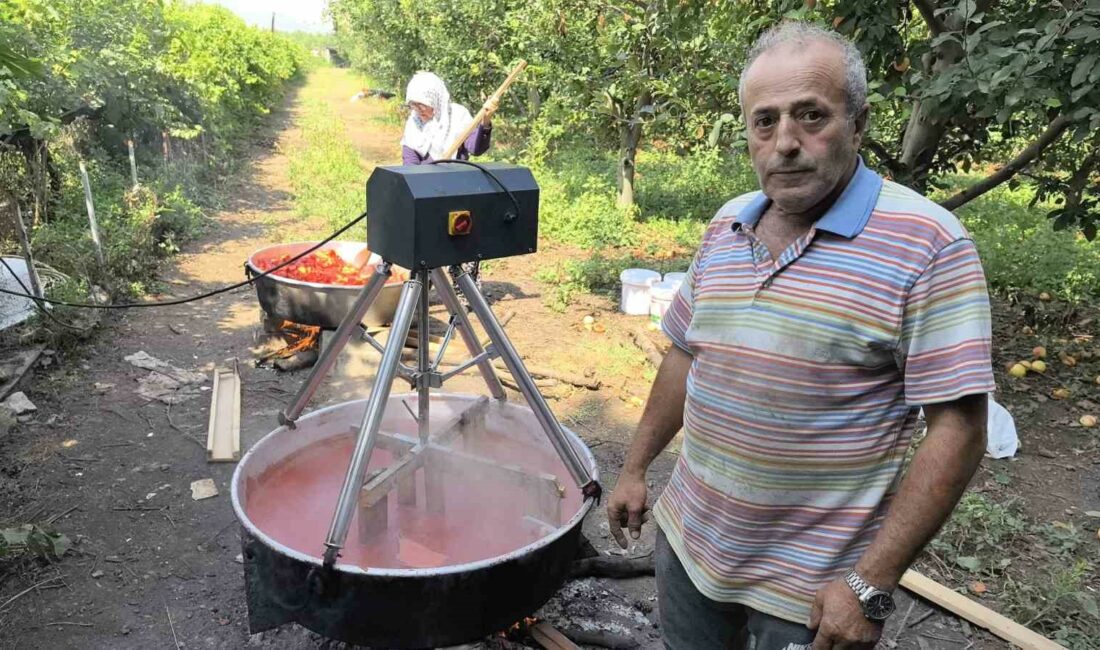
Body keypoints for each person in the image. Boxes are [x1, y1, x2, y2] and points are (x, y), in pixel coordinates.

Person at [606, 22, 994, 650]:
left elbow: (960, 427)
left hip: (812, 592)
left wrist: (870, 585)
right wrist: (633, 468)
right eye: (764, 121)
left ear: (859, 123)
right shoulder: (727, 225)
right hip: (688, 545)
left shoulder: (929, 244)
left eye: (810, 115)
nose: (784, 142)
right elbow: (684, 353)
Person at [401, 71, 497, 165]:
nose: (418, 110)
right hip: (426, 179)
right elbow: (410, 165)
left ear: (435, 100)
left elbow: (475, 149)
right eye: (413, 105)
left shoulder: (458, 115)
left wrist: (485, 121)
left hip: (458, 177)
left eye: (422, 105)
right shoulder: (413, 124)